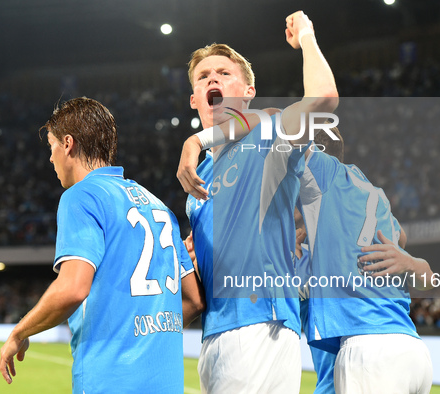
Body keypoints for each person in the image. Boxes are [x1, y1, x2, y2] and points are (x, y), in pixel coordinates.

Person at [177, 10, 338, 394]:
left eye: (225, 73)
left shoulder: (267, 135)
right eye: (203, 76)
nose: (212, 78)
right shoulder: (197, 180)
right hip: (214, 333)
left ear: (249, 92)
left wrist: (308, 38)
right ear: (193, 98)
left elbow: (324, 99)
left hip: (259, 326)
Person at [0, 97, 204, 393]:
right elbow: (195, 301)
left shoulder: (81, 196)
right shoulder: (159, 207)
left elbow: (72, 288)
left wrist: (20, 331)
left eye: (51, 146)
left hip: (110, 380)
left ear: (68, 144)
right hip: (166, 383)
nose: (50, 158)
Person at [297, 126, 434, 393]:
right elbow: (408, 247)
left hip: (367, 353)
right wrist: (412, 263)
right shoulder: (372, 196)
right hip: (412, 348)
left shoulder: (325, 182)